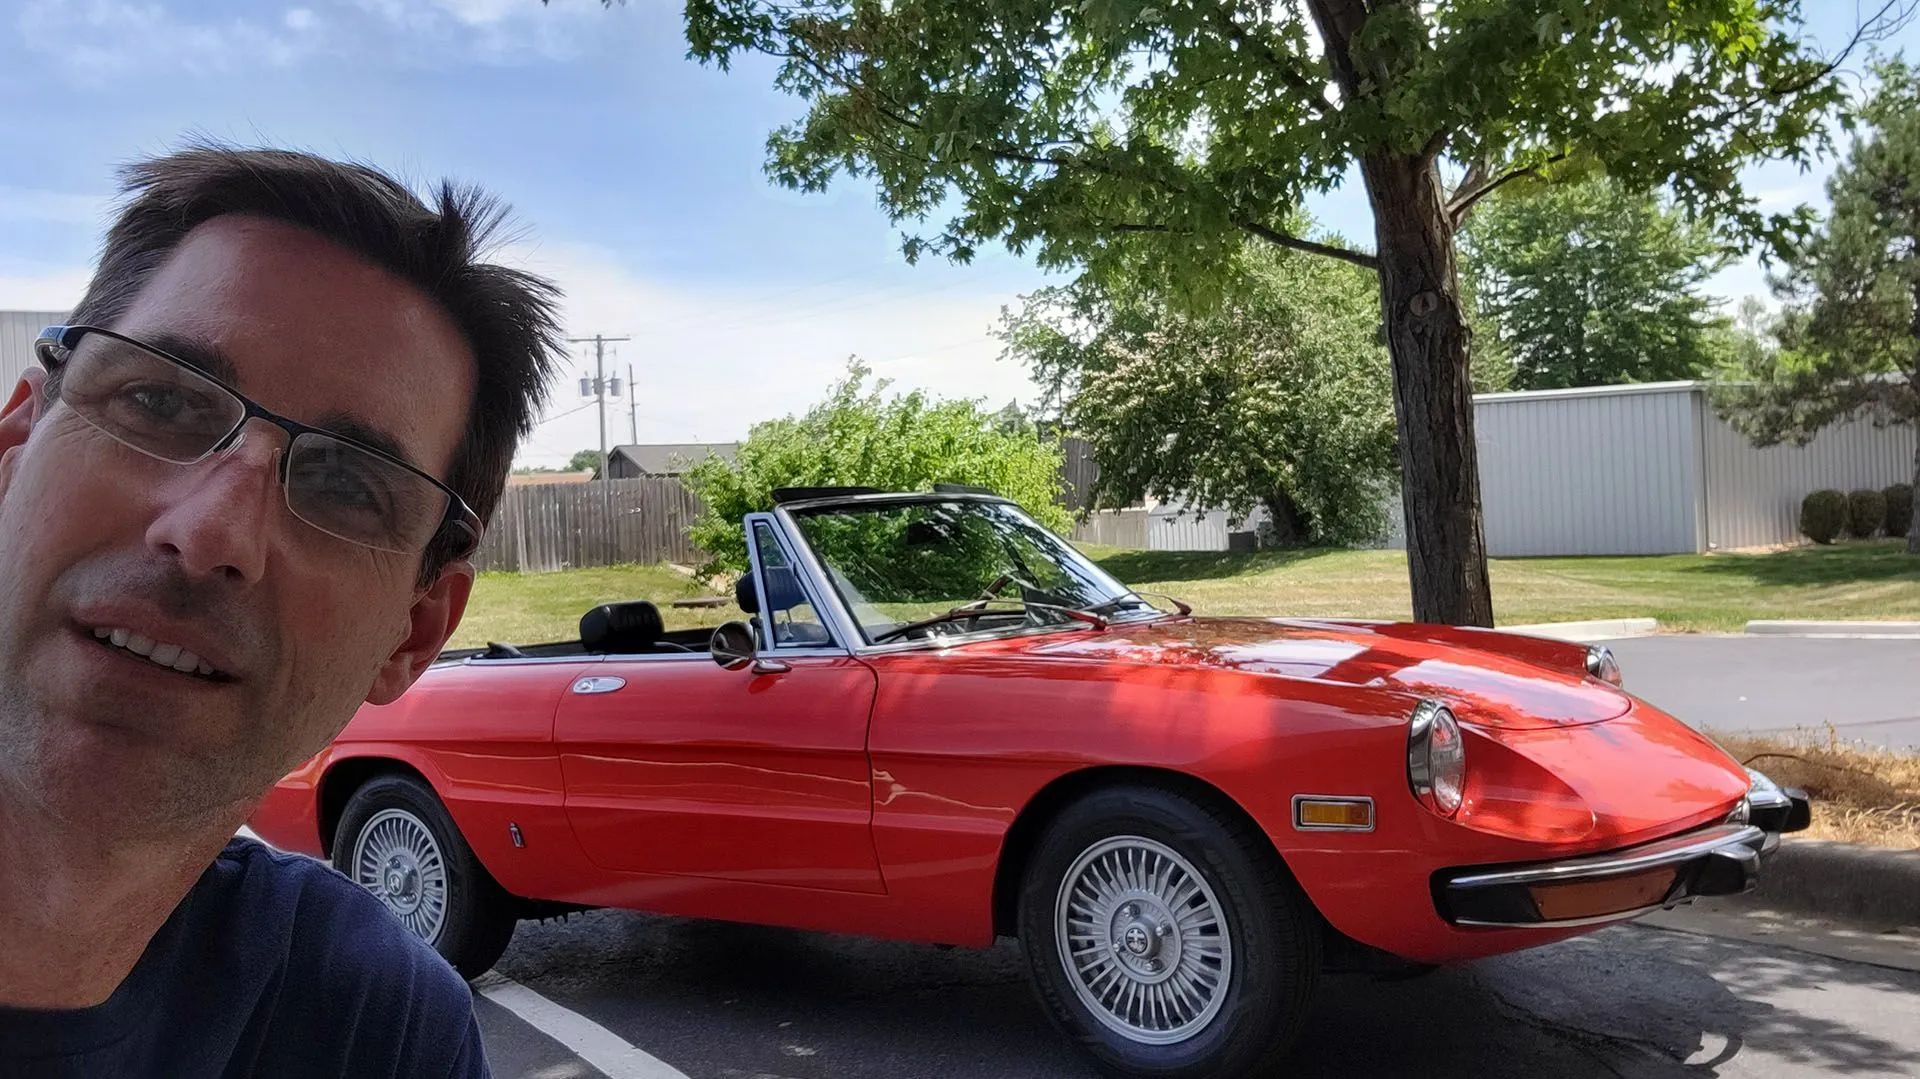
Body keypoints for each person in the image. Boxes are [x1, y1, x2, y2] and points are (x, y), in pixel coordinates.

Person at [0, 144, 563, 1076]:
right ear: (15, 445)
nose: (214, 531)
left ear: (414, 632)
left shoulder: (376, 1030)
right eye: (157, 399)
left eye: (348, 484)